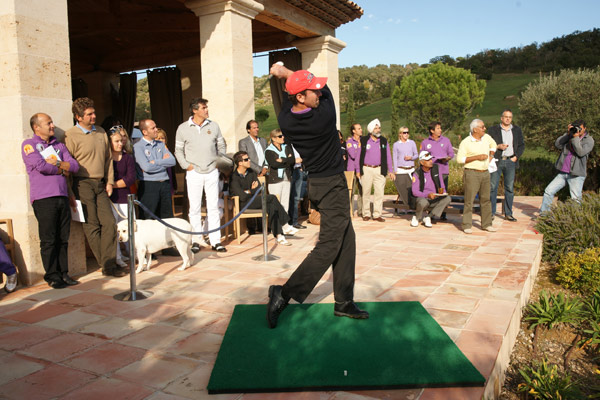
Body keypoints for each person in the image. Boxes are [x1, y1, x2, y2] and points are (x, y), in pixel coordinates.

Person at [266, 64, 369, 329]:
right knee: (328, 246)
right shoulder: (324, 115)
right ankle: (285, 293)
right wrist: (287, 72)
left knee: (347, 239)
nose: (319, 92)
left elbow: (299, 97)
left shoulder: (286, 119)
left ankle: (344, 301)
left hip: (317, 183)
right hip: (332, 185)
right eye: (314, 90)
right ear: (300, 97)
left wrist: (286, 77)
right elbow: (329, 91)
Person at [65, 98, 127, 277]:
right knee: (91, 225)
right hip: (81, 183)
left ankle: (109, 263)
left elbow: (108, 159)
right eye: (89, 114)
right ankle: (108, 265)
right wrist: (70, 192)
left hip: (100, 184)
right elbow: (67, 167)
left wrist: (109, 181)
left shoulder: (100, 132)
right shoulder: (70, 135)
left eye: (93, 113)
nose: (94, 116)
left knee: (109, 223)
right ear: (78, 116)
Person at [22, 113, 81, 288]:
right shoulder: (29, 145)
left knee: (63, 238)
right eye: (48, 123)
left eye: (52, 122)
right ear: (36, 127)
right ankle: (52, 276)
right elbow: (40, 166)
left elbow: (75, 166)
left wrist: (57, 164)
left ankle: (64, 273)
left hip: (62, 196)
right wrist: (62, 169)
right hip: (43, 198)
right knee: (49, 239)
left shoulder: (59, 145)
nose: (52, 126)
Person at [175, 97, 227, 253]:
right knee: (195, 208)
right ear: (194, 110)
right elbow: (178, 150)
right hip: (193, 172)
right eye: (203, 107)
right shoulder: (183, 128)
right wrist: (186, 166)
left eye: (206, 107)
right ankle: (196, 240)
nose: (206, 110)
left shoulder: (214, 126)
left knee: (213, 206)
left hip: (212, 171)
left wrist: (219, 161)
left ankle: (215, 241)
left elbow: (221, 145)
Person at [230, 151, 298, 245]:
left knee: (271, 206)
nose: (249, 161)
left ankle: (279, 236)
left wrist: (249, 191)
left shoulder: (251, 173)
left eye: (249, 158)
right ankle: (285, 225)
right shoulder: (234, 177)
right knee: (272, 198)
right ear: (240, 163)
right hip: (243, 204)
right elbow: (242, 196)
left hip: (254, 200)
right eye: (246, 159)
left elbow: (259, 188)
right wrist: (251, 190)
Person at [539, 120, 595, 214]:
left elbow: (580, 152)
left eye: (580, 128)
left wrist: (575, 138)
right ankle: (544, 215)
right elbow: (558, 144)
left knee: (575, 199)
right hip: (563, 172)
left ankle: (576, 219)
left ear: (585, 128)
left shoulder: (589, 140)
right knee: (548, 191)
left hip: (576, 174)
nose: (578, 130)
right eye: (576, 128)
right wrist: (568, 133)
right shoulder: (569, 136)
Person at [456, 119, 498, 234]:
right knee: (469, 200)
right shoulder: (466, 142)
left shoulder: (486, 138)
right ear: (475, 129)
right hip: (471, 173)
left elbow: (494, 145)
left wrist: (491, 156)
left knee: (486, 199)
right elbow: (459, 159)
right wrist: (476, 157)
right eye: (482, 127)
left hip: (485, 172)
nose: (484, 128)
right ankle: (467, 225)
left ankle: (487, 224)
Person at [134, 119, 176, 220]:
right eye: (153, 128)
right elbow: (146, 167)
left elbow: (172, 161)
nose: (156, 130)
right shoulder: (138, 147)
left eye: (156, 127)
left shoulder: (160, 144)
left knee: (167, 218)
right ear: (145, 132)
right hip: (149, 186)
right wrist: (162, 162)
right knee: (148, 217)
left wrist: (155, 162)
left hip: (164, 184)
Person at [488, 109, 525, 221]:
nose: (508, 119)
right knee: (493, 187)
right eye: (506, 117)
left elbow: (521, 145)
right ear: (501, 118)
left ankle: (508, 213)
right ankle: (491, 213)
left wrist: (516, 157)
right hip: (497, 161)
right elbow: (487, 144)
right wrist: (497, 147)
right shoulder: (493, 130)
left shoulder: (517, 130)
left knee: (509, 188)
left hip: (510, 161)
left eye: (510, 117)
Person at [109, 128, 136, 267]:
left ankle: (133, 253)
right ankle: (118, 257)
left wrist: (112, 185)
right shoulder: (106, 159)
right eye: (117, 141)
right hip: (111, 199)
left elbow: (131, 178)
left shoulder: (127, 158)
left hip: (125, 197)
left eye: (121, 141)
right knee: (114, 229)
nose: (120, 143)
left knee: (129, 226)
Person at [358, 119, 395, 222]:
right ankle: (366, 213)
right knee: (366, 192)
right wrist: (358, 170)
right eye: (376, 128)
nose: (378, 130)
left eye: (379, 128)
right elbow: (358, 156)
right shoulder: (364, 140)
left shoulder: (383, 141)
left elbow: (388, 156)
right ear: (371, 130)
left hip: (379, 169)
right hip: (366, 169)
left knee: (379, 192)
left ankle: (377, 214)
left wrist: (390, 170)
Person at [420, 122, 454, 220]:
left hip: (443, 170)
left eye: (440, 128)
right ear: (432, 130)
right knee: (433, 191)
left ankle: (443, 214)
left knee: (442, 192)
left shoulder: (446, 140)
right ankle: (431, 213)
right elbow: (422, 156)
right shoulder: (425, 142)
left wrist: (447, 158)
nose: (440, 130)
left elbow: (451, 153)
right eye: (438, 128)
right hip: (431, 171)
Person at [411, 151, 451, 228]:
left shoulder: (436, 168)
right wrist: (427, 195)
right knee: (422, 202)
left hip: (435, 196)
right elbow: (414, 191)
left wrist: (443, 193)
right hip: (423, 197)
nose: (431, 161)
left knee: (447, 199)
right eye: (428, 160)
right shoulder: (417, 173)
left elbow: (441, 183)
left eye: (431, 159)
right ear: (422, 162)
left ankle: (428, 217)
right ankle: (416, 217)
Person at [265, 128, 295, 213]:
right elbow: (274, 164)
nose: (283, 137)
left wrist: (282, 159)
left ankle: (285, 225)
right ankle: (277, 226)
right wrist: (287, 160)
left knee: (285, 204)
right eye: (280, 136)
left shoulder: (286, 147)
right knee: (276, 204)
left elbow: (292, 161)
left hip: (287, 178)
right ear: (274, 138)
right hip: (275, 180)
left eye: (283, 136)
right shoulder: (269, 151)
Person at [392, 126, 418, 212]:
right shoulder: (396, 145)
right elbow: (395, 158)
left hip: (411, 169)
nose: (406, 134)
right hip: (401, 169)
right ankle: (405, 206)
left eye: (407, 132)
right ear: (400, 134)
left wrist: (411, 158)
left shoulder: (412, 143)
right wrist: (395, 170)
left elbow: (416, 155)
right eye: (404, 132)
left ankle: (413, 206)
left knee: (412, 188)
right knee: (402, 189)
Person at [288, 144, 307, 230]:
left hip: (299, 170)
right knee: (288, 198)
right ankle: (288, 222)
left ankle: (295, 221)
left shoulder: (298, 144)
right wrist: (294, 160)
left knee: (296, 198)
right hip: (290, 172)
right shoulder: (286, 145)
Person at [346, 123, 363, 217]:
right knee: (351, 191)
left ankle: (360, 211)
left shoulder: (363, 141)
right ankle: (350, 210)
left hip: (361, 169)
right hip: (351, 170)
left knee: (362, 190)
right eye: (359, 128)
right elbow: (353, 155)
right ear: (353, 131)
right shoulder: (350, 142)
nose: (361, 130)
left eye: (360, 128)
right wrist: (360, 149)